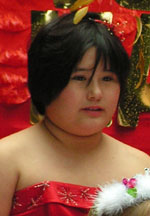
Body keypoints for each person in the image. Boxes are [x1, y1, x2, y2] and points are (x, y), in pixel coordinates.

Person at [0, 12, 149, 216]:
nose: (95, 93)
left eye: (107, 79)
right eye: (80, 78)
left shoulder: (142, 167)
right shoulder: (6, 159)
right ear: (46, 80)